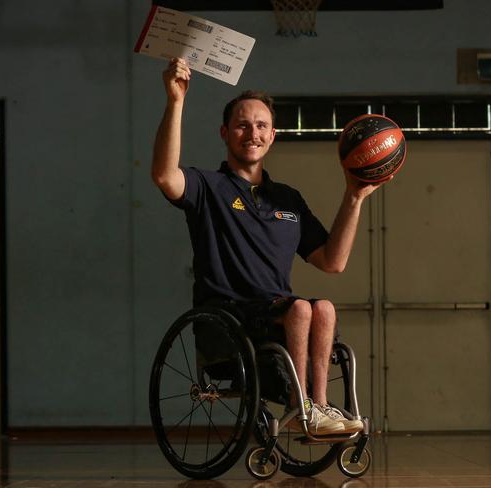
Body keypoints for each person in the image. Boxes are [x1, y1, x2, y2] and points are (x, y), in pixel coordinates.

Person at [152, 58, 387, 435]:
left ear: (273, 135)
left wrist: (354, 196)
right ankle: (301, 406)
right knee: (300, 310)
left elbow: (332, 261)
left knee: (322, 307)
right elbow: (165, 176)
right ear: (225, 133)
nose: (252, 133)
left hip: (276, 314)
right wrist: (175, 100)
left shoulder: (287, 199)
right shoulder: (208, 186)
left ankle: (319, 407)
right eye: (242, 125)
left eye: (261, 126)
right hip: (227, 316)